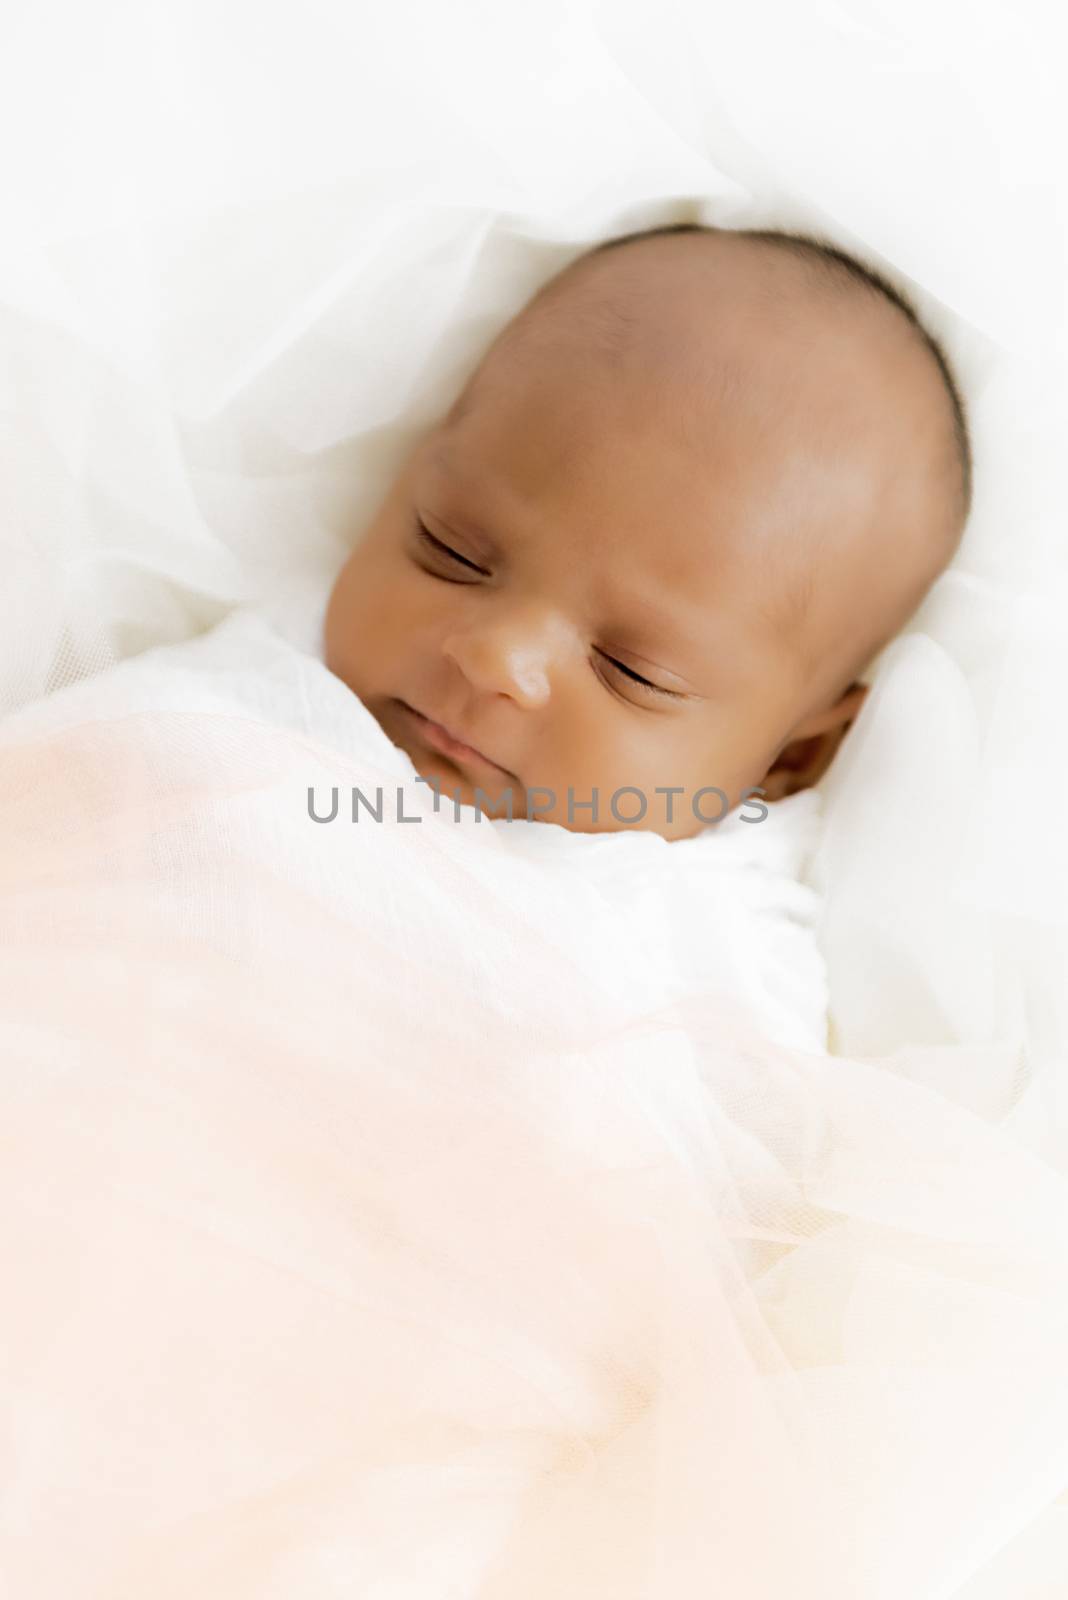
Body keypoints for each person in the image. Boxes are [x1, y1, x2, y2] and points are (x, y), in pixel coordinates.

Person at [324, 221, 972, 840]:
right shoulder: (250, 692)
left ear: (786, 761)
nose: (496, 656)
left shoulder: (697, 929)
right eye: (450, 551)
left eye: (632, 672)